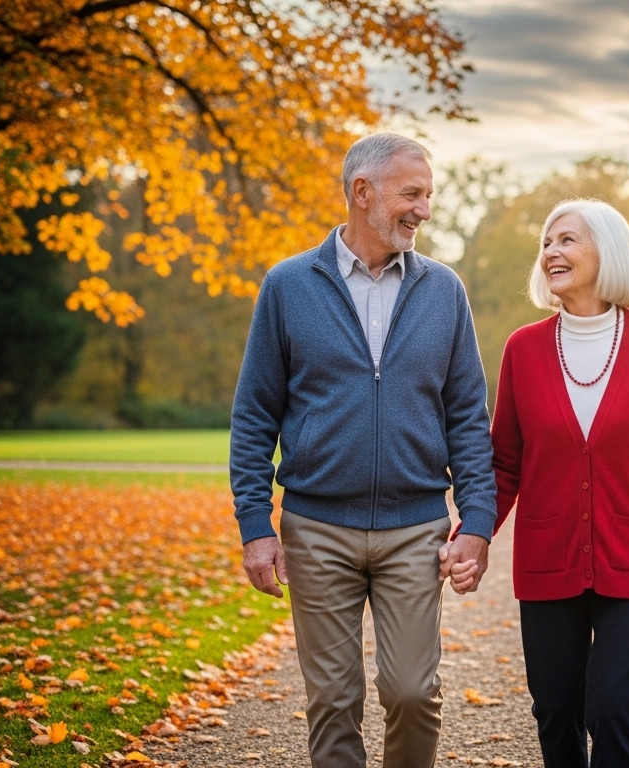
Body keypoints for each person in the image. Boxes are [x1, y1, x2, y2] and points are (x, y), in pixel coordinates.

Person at [230, 132, 496, 768]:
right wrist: (255, 526)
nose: (424, 210)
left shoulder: (443, 289)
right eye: (412, 194)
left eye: (428, 195)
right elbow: (254, 415)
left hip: (415, 529)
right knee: (332, 699)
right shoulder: (289, 285)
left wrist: (477, 522)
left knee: (412, 692)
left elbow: (467, 416)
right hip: (316, 529)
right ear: (362, 191)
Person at [488, 199, 629, 768]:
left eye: (567, 240)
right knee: (555, 709)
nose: (551, 252)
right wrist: (475, 533)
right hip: (547, 556)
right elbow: (505, 463)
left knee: (616, 708)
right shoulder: (522, 349)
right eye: (547, 242)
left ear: (606, 252)